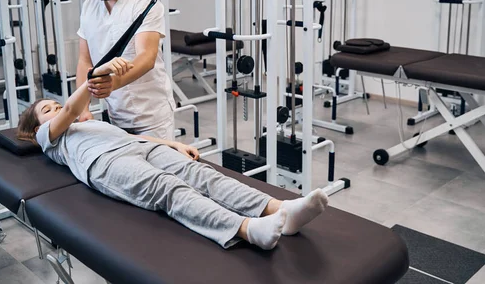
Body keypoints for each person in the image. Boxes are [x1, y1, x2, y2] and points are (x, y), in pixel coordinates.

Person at [17, 57, 329, 250]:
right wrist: (96, 74)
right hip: (105, 164)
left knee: (202, 174)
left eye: (54, 105)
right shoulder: (49, 137)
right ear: (36, 128)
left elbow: (132, 136)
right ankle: (246, 230)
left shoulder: (92, 125)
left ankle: (280, 210)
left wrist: (174, 145)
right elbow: (72, 106)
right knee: (168, 188)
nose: (56, 109)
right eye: (47, 110)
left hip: (137, 146)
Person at [76, 0, 176, 140]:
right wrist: (82, 108)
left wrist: (112, 83)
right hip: (115, 114)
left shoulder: (144, 2)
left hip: (151, 116)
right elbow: (84, 60)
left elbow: (146, 58)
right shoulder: (89, 6)